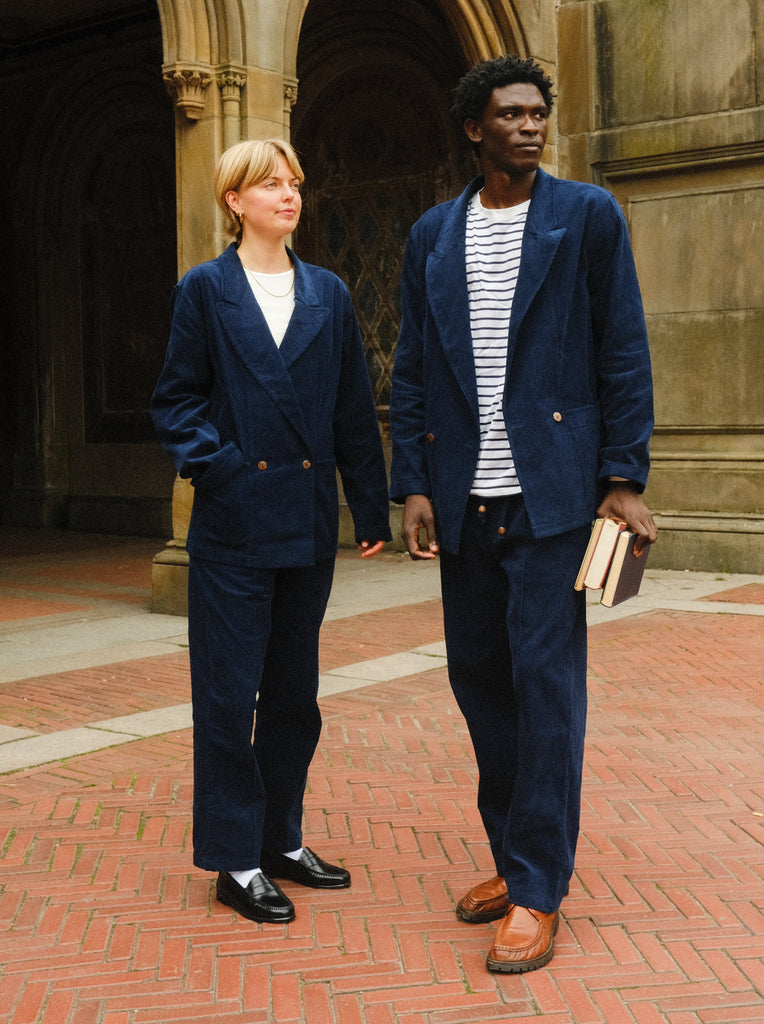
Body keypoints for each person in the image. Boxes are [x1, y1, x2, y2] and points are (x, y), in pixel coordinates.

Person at [389, 56, 657, 973]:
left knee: (546, 693)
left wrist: (623, 476)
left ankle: (536, 891)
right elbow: (414, 365)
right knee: (481, 686)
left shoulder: (586, 217)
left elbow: (621, 345)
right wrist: (413, 484)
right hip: (464, 501)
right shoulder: (432, 233)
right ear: (474, 128)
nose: (529, 126)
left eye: (537, 113)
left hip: (550, 502)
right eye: (509, 114)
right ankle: (512, 858)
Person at [151, 138, 391, 924]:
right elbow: (177, 402)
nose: (288, 195)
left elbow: (354, 409)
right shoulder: (205, 291)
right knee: (227, 698)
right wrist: (217, 466)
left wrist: (371, 505)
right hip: (232, 528)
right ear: (234, 201)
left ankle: (280, 837)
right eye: (270, 184)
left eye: (294, 181)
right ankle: (234, 858)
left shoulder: (327, 291)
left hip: (307, 523)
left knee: (294, 697)